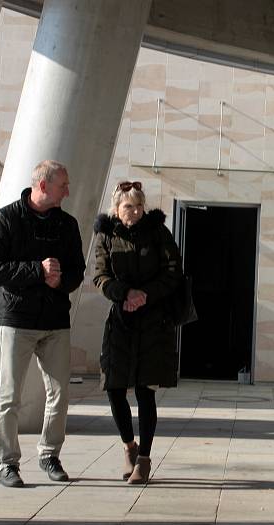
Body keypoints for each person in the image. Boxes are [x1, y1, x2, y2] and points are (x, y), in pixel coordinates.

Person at [0, 160, 85, 488]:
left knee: (61, 393)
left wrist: (60, 281)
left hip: (55, 320)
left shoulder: (67, 224)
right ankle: (7, 463)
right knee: (9, 395)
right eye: (62, 185)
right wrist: (36, 271)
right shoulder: (5, 219)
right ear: (43, 186)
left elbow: (76, 271)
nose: (67, 191)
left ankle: (49, 454)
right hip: (17, 319)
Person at [93, 181, 183, 484]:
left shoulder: (158, 232)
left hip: (153, 321)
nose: (134, 211)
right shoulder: (105, 234)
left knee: (146, 391)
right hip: (120, 320)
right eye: (128, 206)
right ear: (117, 209)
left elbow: (173, 271)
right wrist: (125, 293)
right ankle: (129, 446)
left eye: (138, 205)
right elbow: (99, 275)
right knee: (115, 388)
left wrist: (144, 294)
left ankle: (144, 459)